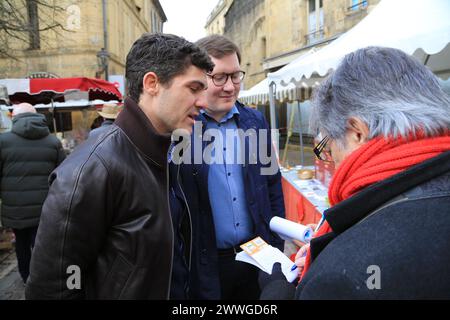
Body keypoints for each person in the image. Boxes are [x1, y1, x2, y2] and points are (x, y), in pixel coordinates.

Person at [25, 33, 214, 299]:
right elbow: (57, 286)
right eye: (194, 89)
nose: (204, 103)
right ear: (152, 84)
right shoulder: (92, 170)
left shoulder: (165, 153)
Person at [259, 46, 450, 299]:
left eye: (326, 147)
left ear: (357, 132)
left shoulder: (340, 277)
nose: (330, 160)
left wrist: (277, 292)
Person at [169, 35, 285, 300]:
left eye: (235, 76)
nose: (230, 86)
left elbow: (272, 184)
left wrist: (276, 245)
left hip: (257, 256)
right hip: (206, 264)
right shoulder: (183, 130)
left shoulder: (254, 122)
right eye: (219, 77)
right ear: (200, 79)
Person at [0, 103, 66, 284]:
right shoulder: (53, 142)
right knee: (41, 243)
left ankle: (26, 276)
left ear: (15, 117)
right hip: (45, 205)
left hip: (15, 207)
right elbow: (63, 174)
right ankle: (43, 277)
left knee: (20, 244)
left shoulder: (3, 141)